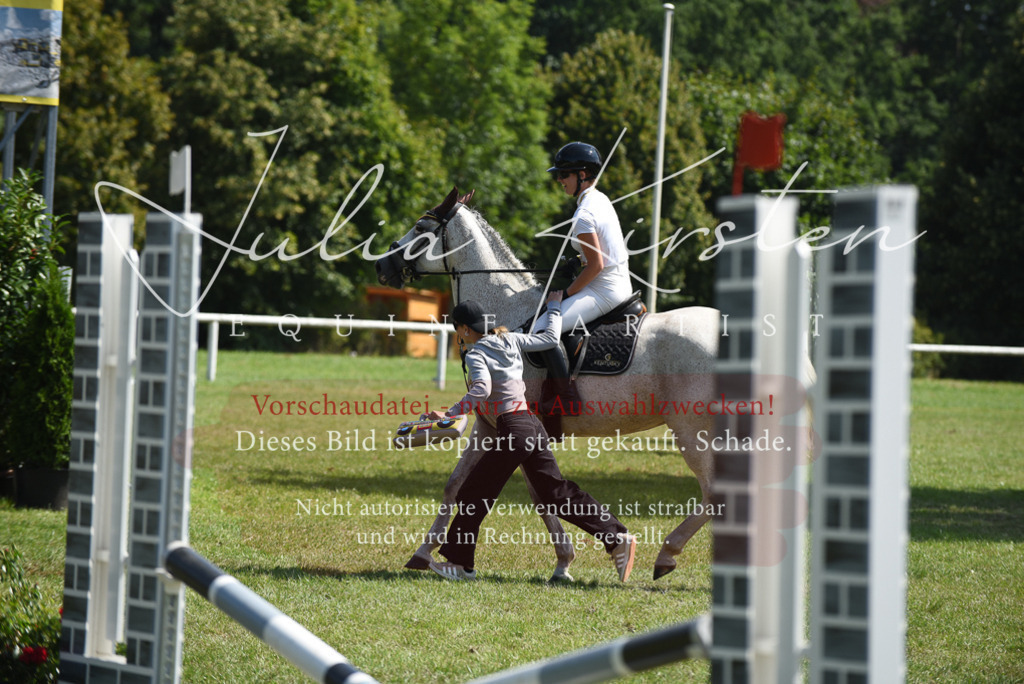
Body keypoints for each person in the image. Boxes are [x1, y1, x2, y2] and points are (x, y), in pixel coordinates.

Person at [423, 293, 637, 582]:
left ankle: (460, 565)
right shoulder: (510, 339)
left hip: (514, 429)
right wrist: (553, 308)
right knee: (555, 493)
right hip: (532, 425)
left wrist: (449, 413)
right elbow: (550, 338)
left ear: (464, 330)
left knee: (472, 494)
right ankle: (617, 536)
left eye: (458, 331)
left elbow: (482, 389)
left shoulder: (475, 353)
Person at [532, 142, 634, 432]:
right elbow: (599, 255)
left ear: (583, 174)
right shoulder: (599, 199)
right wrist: (576, 261)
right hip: (616, 280)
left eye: (564, 174)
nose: (559, 180)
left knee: (543, 329)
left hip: (605, 289)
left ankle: (568, 398)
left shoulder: (583, 215)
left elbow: (597, 266)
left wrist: (565, 294)